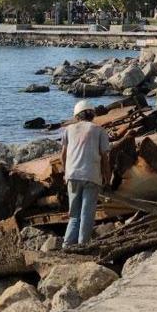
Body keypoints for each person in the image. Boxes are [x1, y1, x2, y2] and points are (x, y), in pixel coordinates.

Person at [61, 100, 111, 247]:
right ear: (92, 115)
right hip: (91, 175)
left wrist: (66, 173)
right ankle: (83, 245)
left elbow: (62, 156)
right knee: (87, 214)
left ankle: (67, 245)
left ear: (77, 116)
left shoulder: (68, 130)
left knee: (74, 215)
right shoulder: (99, 130)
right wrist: (107, 177)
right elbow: (104, 157)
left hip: (72, 175)